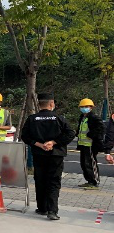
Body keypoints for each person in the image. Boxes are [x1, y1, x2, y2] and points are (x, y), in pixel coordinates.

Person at [20, 93, 75, 221]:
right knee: (53, 182)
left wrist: (39, 144)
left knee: (40, 180)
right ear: (51, 104)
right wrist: (53, 142)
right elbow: (71, 133)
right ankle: (52, 211)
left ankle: (42, 208)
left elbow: (25, 136)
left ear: (39, 104)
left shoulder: (32, 119)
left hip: (39, 154)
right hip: (56, 155)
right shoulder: (59, 118)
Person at [76, 98, 105, 189]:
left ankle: (94, 182)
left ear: (91, 107)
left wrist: (91, 134)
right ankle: (89, 181)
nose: (84, 108)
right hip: (83, 144)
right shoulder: (82, 117)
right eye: (82, 106)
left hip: (91, 145)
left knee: (91, 164)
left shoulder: (94, 117)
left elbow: (101, 129)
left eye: (86, 106)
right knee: (84, 164)